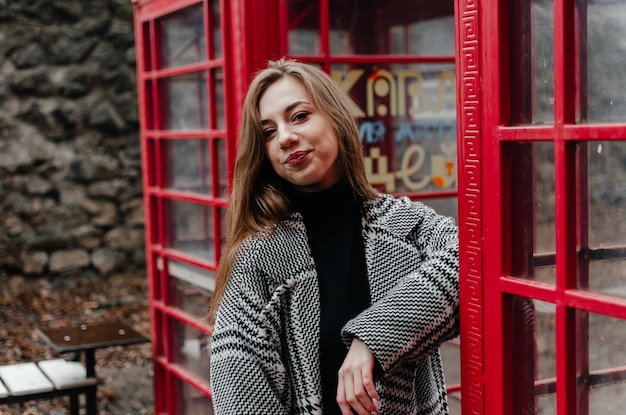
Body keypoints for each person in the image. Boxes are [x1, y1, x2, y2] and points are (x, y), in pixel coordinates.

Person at [208, 58, 460, 415]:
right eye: (268, 132)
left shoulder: (402, 223)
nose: (285, 137)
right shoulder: (259, 260)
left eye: (299, 116)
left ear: (335, 118)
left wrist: (372, 339)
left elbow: (473, 257)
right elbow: (240, 401)